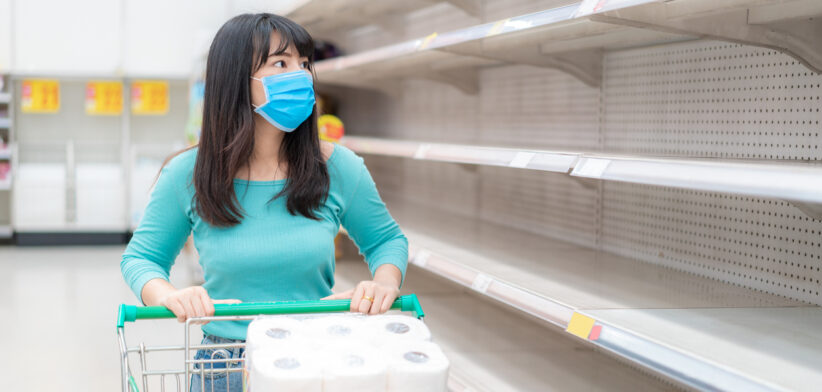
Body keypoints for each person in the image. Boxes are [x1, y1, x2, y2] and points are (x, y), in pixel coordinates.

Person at [120, 13, 408, 391]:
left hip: (314, 355)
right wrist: (171, 296)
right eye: (280, 63)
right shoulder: (188, 173)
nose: (301, 76)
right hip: (225, 365)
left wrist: (384, 283)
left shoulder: (337, 166)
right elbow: (141, 259)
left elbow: (387, 240)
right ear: (237, 79)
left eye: (304, 64)